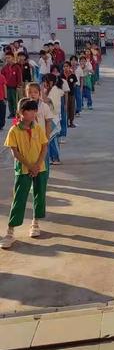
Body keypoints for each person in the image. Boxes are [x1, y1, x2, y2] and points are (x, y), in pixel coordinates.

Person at [0, 98, 49, 249]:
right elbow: (15, 153)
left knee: (39, 195)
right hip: (23, 169)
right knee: (19, 198)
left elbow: (44, 146)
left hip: (40, 168)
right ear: (22, 112)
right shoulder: (14, 130)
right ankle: (10, 231)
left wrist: (38, 165)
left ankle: (35, 222)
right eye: (31, 110)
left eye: (35, 110)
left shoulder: (37, 128)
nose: (34, 113)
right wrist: (30, 166)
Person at [1, 51, 22, 118]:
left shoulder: (16, 67)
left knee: (15, 100)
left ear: (12, 58)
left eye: (9, 58)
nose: (7, 59)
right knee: (9, 100)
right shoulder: (4, 68)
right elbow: (2, 76)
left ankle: (16, 113)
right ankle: (11, 113)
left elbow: (19, 76)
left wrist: (19, 85)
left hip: (14, 87)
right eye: (6, 58)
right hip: (7, 87)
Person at [62, 62, 78, 128]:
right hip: (63, 95)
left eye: (67, 66)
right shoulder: (61, 75)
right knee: (66, 108)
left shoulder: (73, 75)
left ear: (70, 67)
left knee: (72, 108)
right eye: (64, 66)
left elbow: (74, 85)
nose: (66, 68)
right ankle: (66, 123)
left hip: (71, 94)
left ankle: (71, 122)